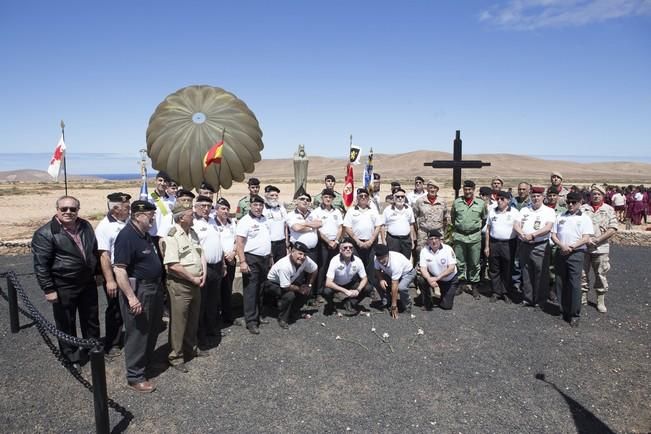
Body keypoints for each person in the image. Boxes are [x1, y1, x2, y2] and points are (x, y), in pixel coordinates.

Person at [32, 195, 100, 368]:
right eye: (64, 209)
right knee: (66, 323)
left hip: (87, 282)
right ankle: (71, 357)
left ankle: (93, 350)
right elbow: (41, 265)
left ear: (78, 210)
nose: (68, 212)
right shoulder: (45, 233)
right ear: (57, 210)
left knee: (91, 319)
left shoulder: (85, 225)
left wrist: (98, 272)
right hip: (64, 285)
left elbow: (93, 250)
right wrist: (48, 289)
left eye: (73, 209)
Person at [113, 200, 164, 393]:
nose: (153, 217)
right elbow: (119, 270)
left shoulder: (144, 235)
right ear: (138, 216)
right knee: (138, 332)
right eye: (150, 214)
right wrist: (131, 298)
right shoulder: (126, 236)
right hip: (139, 290)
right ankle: (135, 376)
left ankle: (145, 364)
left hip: (154, 288)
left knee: (152, 329)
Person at [162, 202, 207, 372]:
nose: (194, 216)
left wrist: (203, 275)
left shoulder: (192, 232)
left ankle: (190, 349)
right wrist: (193, 279)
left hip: (196, 283)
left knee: (193, 319)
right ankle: (176, 356)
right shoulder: (172, 235)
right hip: (181, 285)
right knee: (179, 322)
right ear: (181, 218)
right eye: (191, 214)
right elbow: (173, 265)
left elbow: (200, 253)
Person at [95, 192, 131, 357]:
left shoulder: (127, 221)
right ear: (116, 209)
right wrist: (110, 280)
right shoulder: (105, 226)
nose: (129, 210)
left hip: (129, 271)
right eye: (126, 207)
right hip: (115, 273)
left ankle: (130, 337)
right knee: (115, 309)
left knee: (130, 305)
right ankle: (113, 343)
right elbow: (104, 256)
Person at [551, 192, 594, 327]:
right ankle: (563, 310)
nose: (570, 205)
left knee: (574, 284)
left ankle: (575, 314)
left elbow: (586, 237)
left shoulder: (585, 218)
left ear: (580, 203)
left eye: (573, 202)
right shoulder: (561, 216)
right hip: (561, 252)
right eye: (568, 202)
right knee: (560, 281)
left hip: (575, 253)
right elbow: (553, 234)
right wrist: (561, 245)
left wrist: (571, 246)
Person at [514, 186, 556, 307]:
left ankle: (540, 300)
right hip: (524, 245)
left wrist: (533, 235)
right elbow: (516, 224)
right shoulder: (524, 210)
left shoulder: (549, 211)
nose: (536, 198)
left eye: (538, 196)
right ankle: (528, 298)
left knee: (541, 273)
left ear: (543, 197)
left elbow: (548, 227)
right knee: (526, 271)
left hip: (540, 245)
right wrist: (522, 234)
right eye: (533, 196)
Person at [235, 194, 272, 334]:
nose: (258, 208)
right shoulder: (245, 221)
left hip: (264, 258)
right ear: (250, 205)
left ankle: (259, 315)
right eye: (255, 205)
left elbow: (266, 239)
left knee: (261, 288)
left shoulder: (264, 219)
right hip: (251, 259)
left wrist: (270, 258)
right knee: (251, 290)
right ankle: (251, 321)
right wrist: (242, 262)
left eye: (260, 205)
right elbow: (239, 242)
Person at [580, 184, 618, 313]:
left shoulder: (609, 210)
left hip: (600, 247)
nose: (595, 196)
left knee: (600, 274)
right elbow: (577, 225)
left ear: (603, 195)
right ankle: (583, 297)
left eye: (598, 194)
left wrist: (597, 239)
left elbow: (612, 228)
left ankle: (600, 300)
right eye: (593, 194)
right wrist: (586, 240)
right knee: (582, 273)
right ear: (590, 195)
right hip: (584, 246)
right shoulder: (583, 208)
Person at [193, 195, 224, 344]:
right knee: (202, 303)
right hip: (204, 268)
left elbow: (218, 243)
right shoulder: (193, 223)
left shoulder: (213, 221)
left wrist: (223, 263)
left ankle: (212, 328)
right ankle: (200, 334)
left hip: (217, 266)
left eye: (209, 206)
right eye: (203, 205)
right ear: (196, 206)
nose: (206, 209)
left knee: (213, 301)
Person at [264, 242, 317, 328]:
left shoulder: (305, 259)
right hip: (272, 284)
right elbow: (285, 287)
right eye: (300, 253)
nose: (302, 257)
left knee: (307, 291)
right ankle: (283, 319)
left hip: (287, 282)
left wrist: (309, 285)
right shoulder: (284, 265)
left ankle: (293, 312)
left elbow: (314, 269)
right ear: (292, 252)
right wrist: (300, 289)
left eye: (304, 255)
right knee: (290, 295)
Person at [450, 180, 486, 299]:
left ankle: (474, 285)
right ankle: (461, 283)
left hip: (474, 237)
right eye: (465, 189)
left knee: (474, 263)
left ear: (474, 189)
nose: (467, 191)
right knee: (460, 262)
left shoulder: (480, 203)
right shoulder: (457, 202)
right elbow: (453, 217)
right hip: (460, 236)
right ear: (463, 190)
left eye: (470, 189)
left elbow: (484, 218)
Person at [343, 187, 383, 289]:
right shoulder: (351, 211)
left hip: (371, 243)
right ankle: (356, 287)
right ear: (357, 198)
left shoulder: (373, 211)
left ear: (368, 198)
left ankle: (370, 288)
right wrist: (357, 241)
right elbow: (347, 227)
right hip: (356, 244)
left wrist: (371, 240)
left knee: (371, 266)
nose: (363, 198)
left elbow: (378, 226)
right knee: (356, 264)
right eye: (361, 196)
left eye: (365, 196)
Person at [484, 191, 520, 303]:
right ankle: (496, 292)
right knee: (494, 269)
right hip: (494, 243)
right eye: (498, 198)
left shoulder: (514, 212)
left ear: (508, 200)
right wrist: (486, 246)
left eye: (502, 199)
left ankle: (505, 292)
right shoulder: (492, 212)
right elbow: (488, 229)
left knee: (507, 269)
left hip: (508, 244)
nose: (499, 201)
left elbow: (518, 227)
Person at [323, 237, 373, 315]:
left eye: (350, 248)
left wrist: (358, 290)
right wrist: (345, 291)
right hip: (336, 284)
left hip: (350, 283)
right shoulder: (334, 260)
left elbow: (364, 278)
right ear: (340, 250)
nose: (348, 249)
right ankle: (331, 305)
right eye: (345, 248)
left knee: (368, 288)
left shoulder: (358, 261)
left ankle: (350, 302)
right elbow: (328, 282)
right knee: (326, 291)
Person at [311, 188, 344, 296]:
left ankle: (333, 289)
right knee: (322, 267)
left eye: (330, 197)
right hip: (322, 243)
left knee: (334, 266)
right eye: (326, 197)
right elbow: (317, 229)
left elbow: (340, 227)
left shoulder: (337, 212)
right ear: (322, 198)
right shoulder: (316, 212)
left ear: (333, 199)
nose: (328, 199)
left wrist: (336, 241)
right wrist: (328, 241)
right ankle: (319, 291)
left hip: (335, 243)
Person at [417, 229, 459, 310]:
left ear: (440, 240)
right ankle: (427, 302)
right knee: (421, 279)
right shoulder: (424, 251)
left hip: (448, 279)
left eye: (436, 239)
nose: (434, 241)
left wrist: (437, 278)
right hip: (434, 277)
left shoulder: (448, 249)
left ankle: (444, 295)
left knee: (446, 306)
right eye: (431, 239)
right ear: (428, 241)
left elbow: (451, 268)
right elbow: (423, 268)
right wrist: (429, 279)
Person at [373, 244, 416, 318]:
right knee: (376, 281)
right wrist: (381, 279)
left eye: (383, 258)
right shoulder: (376, 258)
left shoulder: (395, 263)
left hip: (407, 273)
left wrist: (394, 306)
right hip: (391, 273)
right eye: (379, 258)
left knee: (401, 287)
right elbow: (377, 270)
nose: (381, 261)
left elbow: (394, 285)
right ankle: (387, 301)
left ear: (387, 255)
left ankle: (407, 305)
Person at [412, 179, 448, 263]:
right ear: (427, 189)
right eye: (430, 187)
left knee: (439, 254)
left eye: (435, 188)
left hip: (438, 233)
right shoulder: (420, 201)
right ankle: (421, 274)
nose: (432, 190)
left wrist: (443, 232)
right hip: (423, 234)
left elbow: (446, 219)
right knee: (421, 253)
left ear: (437, 189)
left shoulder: (442, 201)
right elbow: (413, 218)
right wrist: (417, 232)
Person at [214, 197, 237, 326]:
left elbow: (236, 239)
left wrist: (234, 252)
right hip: (219, 260)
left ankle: (228, 316)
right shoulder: (212, 223)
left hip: (231, 259)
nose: (225, 211)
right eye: (222, 208)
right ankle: (216, 317)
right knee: (217, 290)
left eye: (227, 209)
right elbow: (215, 242)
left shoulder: (232, 222)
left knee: (228, 288)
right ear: (216, 210)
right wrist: (223, 257)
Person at [382, 188, 416, 259]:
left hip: (406, 240)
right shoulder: (387, 210)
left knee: (406, 261)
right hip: (393, 240)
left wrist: (412, 240)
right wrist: (383, 241)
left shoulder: (409, 209)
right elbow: (382, 226)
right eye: (398, 197)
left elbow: (411, 225)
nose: (400, 198)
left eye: (402, 197)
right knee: (393, 261)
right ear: (394, 198)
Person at [262, 185, 288, 262]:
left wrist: (286, 241)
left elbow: (285, 225)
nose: (274, 197)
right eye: (272, 195)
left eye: (276, 195)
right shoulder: (263, 209)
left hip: (281, 243)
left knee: (281, 266)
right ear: (266, 196)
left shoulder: (281, 208)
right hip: (269, 243)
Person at [148, 171, 172, 237]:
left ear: (168, 184)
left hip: (167, 235)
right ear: (156, 181)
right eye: (160, 180)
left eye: (165, 181)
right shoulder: (149, 198)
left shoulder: (173, 199)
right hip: (152, 235)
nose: (162, 183)